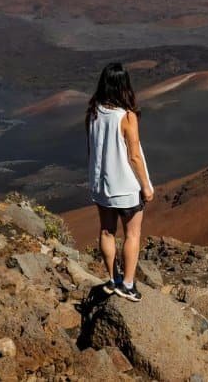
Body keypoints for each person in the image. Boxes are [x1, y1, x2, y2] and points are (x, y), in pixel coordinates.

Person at [86, 62, 154, 302]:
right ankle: (127, 284)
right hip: (125, 186)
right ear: (124, 86)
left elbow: (91, 150)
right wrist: (146, 186)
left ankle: (112, 279)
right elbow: (134, 156)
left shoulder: (93, 112)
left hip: (100, 185)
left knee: (106, 231)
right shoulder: (126, 117)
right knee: (132, 234)